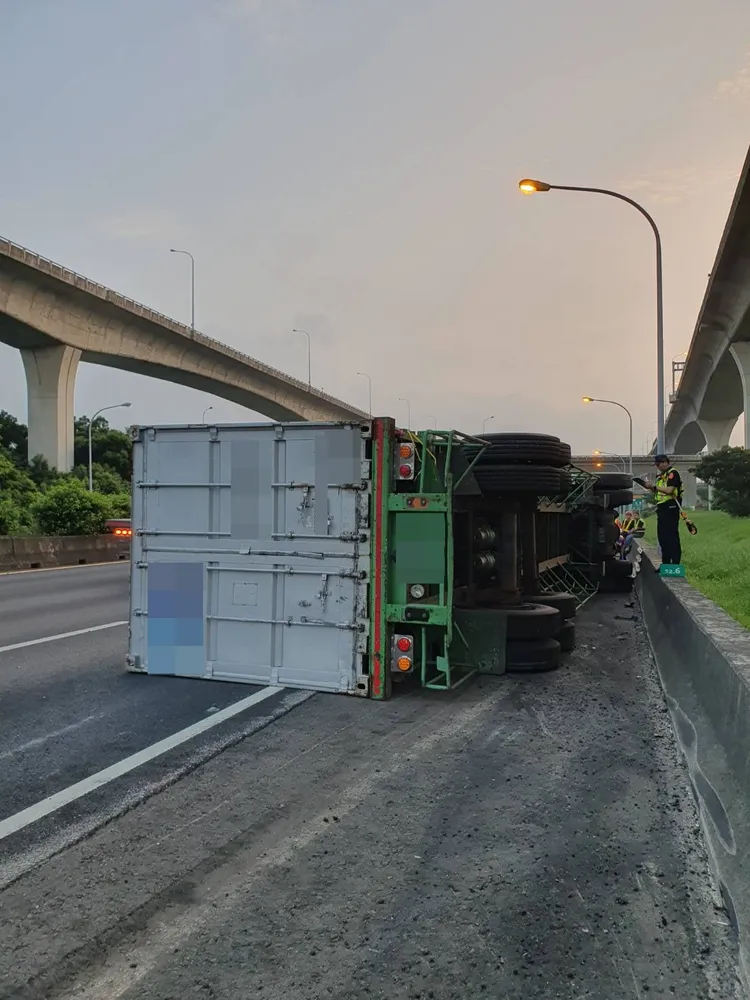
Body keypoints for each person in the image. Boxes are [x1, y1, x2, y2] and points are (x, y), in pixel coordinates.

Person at [643, 455, 683, 565]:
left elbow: (670, 490)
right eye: (656, 465)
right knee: (663, 537)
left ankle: (675, 564)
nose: (657, 467)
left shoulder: (672, 473)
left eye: (658, 464)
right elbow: (659, 491)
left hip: (671, 506)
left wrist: (654, 486)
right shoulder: (662, 476)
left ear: (665, 462)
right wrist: (650, 487)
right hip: (662, 508)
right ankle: (665, 564)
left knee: (671, 536)